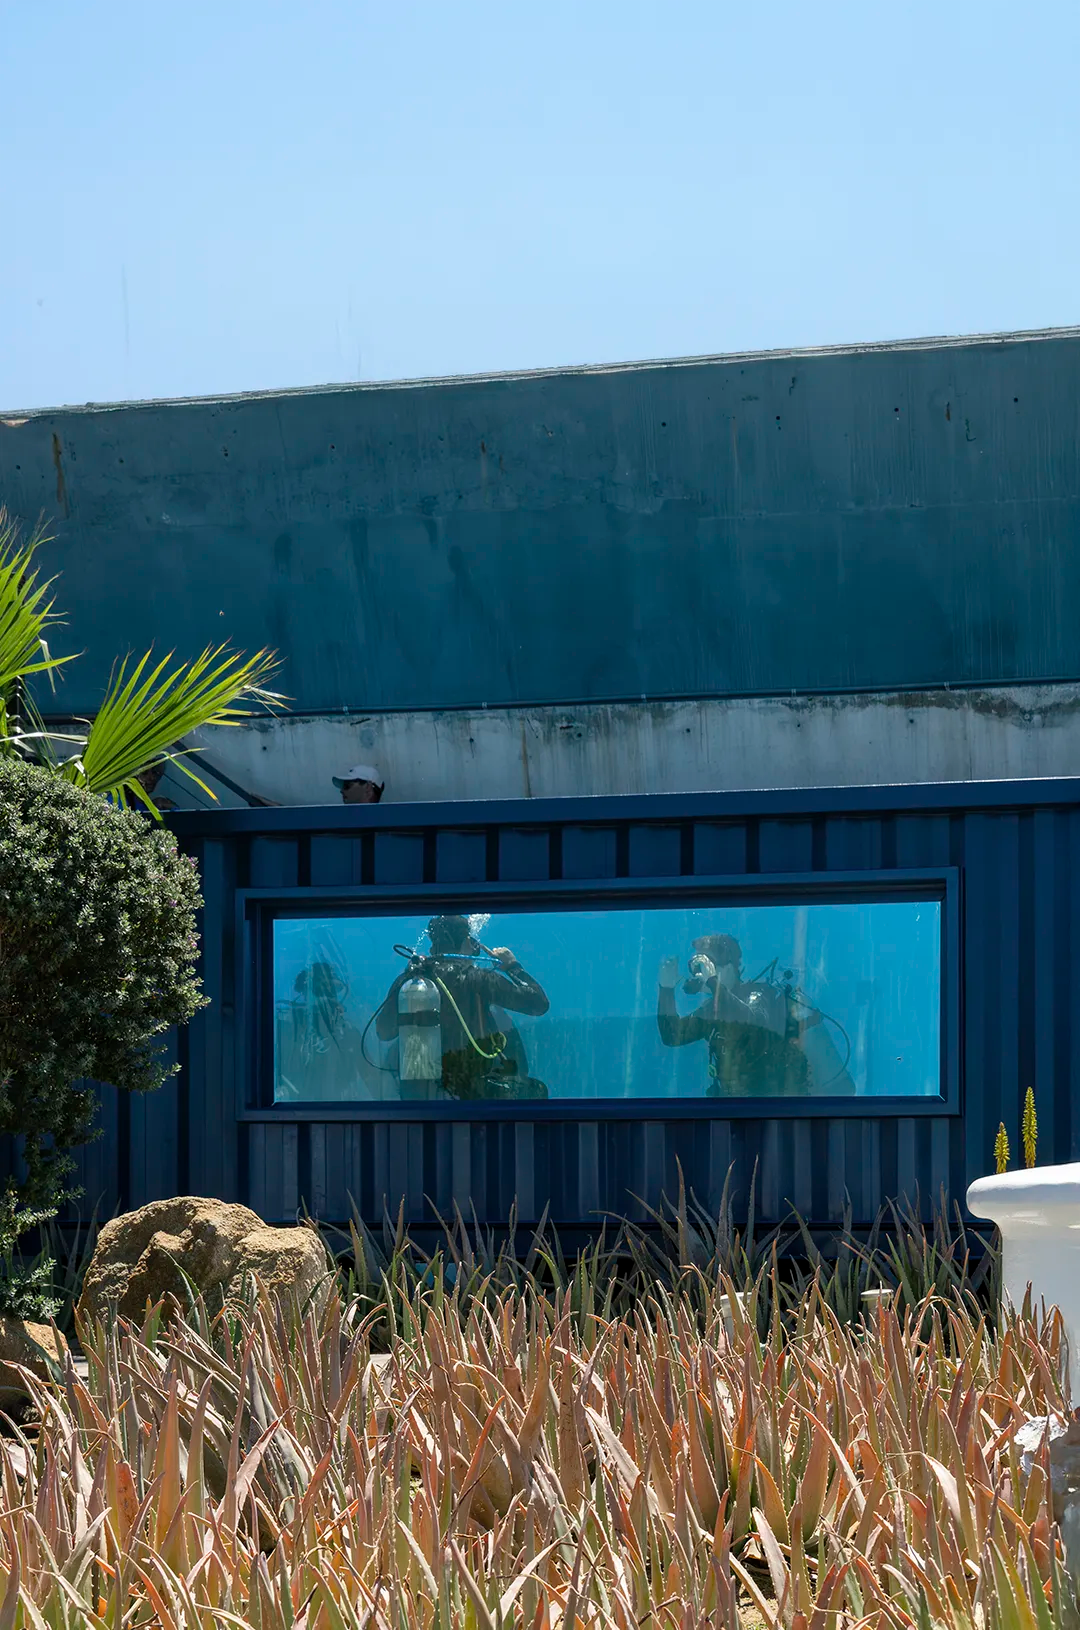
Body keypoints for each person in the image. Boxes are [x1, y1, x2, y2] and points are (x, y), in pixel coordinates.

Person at [375, 915, 549, 1100]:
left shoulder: (411, 980)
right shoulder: (477, 979)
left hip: (422, 1097)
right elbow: (538, 1004)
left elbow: (384, 1032)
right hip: (470, 1094)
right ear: (467, 941)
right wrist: (512, 966)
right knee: (537, 1091)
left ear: (433, 945)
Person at [657, 933, 813, 1098]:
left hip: (767, 1106)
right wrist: (666, 988)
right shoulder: (710, 1010)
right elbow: (672, 1036)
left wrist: (712, 982)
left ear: (731, 967)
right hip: (731, 1105)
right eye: (697, 969)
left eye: (705, 966)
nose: (699, 974)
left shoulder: (759, 993)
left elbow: (753, 1020)